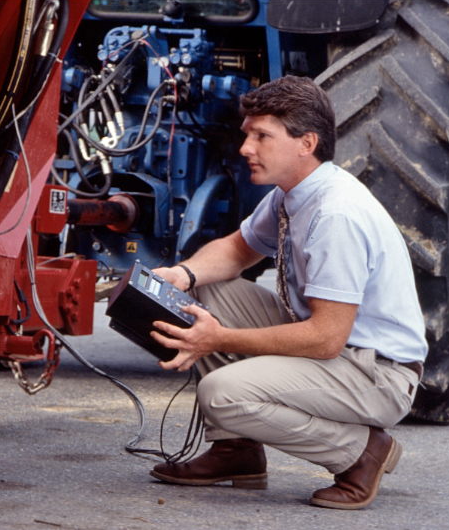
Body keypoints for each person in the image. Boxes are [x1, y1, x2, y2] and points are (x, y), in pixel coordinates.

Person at [148, 75, 428, 510]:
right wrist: (184, 275)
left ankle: (359, 453)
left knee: (222, 393)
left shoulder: (335, 215)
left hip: (376, 373)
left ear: (306, 143)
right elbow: (238, 250)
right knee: (203, 292)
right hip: (336, 349)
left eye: (262, 136)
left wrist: (218, 339)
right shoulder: (292, 194)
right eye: (247, 134)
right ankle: (235, 451)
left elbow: (325, 338)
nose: (245, 148)